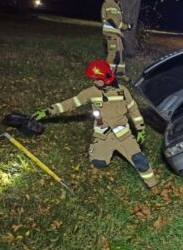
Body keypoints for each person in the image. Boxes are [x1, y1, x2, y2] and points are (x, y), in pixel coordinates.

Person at [32, 60, 157, 188]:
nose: (94, 82)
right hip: (103, 137)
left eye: (98, 79)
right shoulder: (91, 92)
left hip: (124, 136)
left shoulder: (123, 91)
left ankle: (152, 184)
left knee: (140, 161)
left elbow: (133, 110)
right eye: (93, 79)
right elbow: (70, 103)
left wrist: (140, 129)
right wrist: (49, 111)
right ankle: (101, 150)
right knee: (99, 162)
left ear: (107, 77)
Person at [101, 0, 133, 81]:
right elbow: (115, 22)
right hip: (111, 34)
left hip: (116, 34)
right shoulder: (110, 3)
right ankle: (106, 75)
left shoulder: (115, 3)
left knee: (121, 54)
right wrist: (128, 26)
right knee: (113, 55)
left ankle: (120, 74)